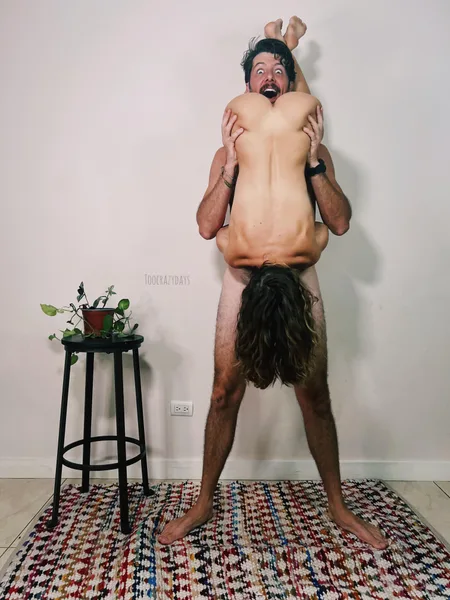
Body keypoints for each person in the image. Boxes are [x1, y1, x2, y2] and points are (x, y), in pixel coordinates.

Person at [158, 16, 388, 550]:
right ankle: (203, 500)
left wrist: (315, 164)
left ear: (289, 83)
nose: (269, 76)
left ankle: (337, 504)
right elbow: (206, 226)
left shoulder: (313, 149)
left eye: (278, 70)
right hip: (243, 279)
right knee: (224, 392)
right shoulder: (226, 153)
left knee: (315, 394)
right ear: (247, 87)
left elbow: (339, 222)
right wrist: (229, 166)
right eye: (259, 69)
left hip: (298, 276)